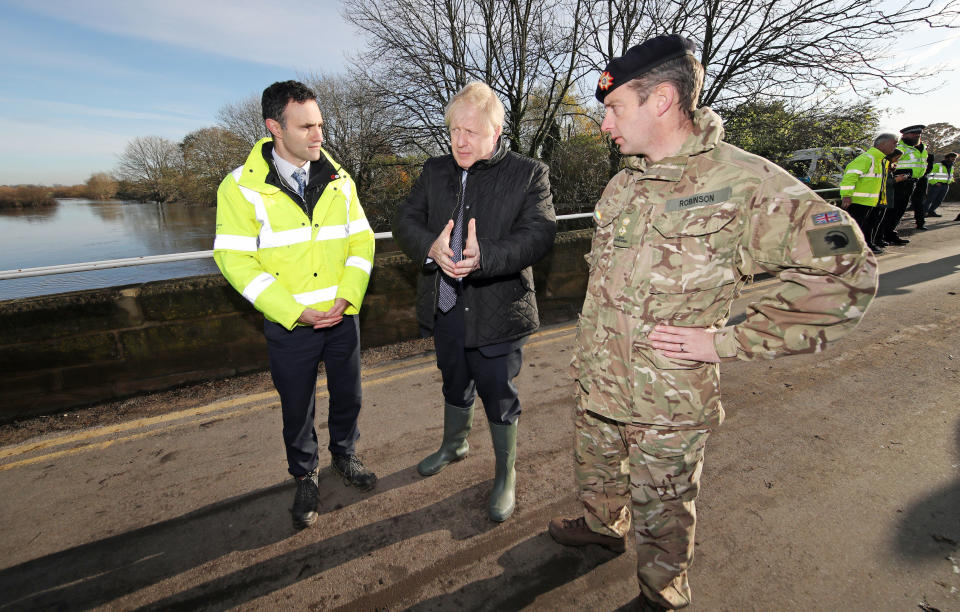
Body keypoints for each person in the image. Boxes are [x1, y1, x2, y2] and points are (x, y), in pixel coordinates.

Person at [546, 35, 878, 611]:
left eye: (612, 108)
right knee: (596, 466)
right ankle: (603, 526)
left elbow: (847, 273)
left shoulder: (745, 184)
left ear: (663, 100)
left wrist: (728, 340)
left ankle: (661, 592)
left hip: (668, 400)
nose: (603, 125)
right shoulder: (623, 184)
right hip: (600, 383)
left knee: (663, 508)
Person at [213, 80, 377, 529]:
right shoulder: (239, 188)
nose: (318, 135)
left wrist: (348, 296)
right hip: (291, 325)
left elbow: (361, 241)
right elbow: (234, 259)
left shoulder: (340, 179)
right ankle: (305, 474)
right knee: (297, 407)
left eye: (319, 124)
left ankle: (345, 455)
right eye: (306, 126)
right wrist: (292, 310)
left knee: (349, 396)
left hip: (342, 317)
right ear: (274, 127)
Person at [392, 81, 556, 522]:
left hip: (498, 310)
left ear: (497, 131)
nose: (460, 141)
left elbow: (539, 234)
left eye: (471, 132)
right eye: (453, 132)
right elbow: (404, 220)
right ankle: (455, 444)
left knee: (498, 393)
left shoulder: (528, 173)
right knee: (452, 379)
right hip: (445, 305)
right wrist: (430, 246)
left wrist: (487, 257)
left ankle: (506, 472)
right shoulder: (434, 171)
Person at [839, 133, 900, 254]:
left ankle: (866, 245)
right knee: (856, 226)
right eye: (894, 143)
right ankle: (850, 249)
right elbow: (850, 177)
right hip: (859, 201)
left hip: (870, 201)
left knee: (868, 225)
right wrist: (846, 195)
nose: (895, 146)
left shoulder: (879, 160)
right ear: (883, 144)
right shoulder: (867, 158)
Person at [878, 125, 928, 243]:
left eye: (918, 134)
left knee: (900, 210)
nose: (917, 136)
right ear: (904, 135)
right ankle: (882, 235)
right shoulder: (900, 147)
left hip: (913, 181)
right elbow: (886, 163)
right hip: (898, 182)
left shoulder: (921, 148)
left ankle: (890, 233)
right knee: (891, 210)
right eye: (914, 134)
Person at [923, 151, 957, 218]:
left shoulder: (952, 167)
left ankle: (931, 211)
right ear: (947, 158)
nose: (954, 159)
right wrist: (935, 182)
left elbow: (950, 175)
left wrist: (951, 181)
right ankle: (923, 213)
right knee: (930, 199)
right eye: (952, 157)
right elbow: (929, 174)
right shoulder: (937, 165)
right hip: (936, 185)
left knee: (939, 200)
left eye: (955, 158)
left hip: (945, 186)